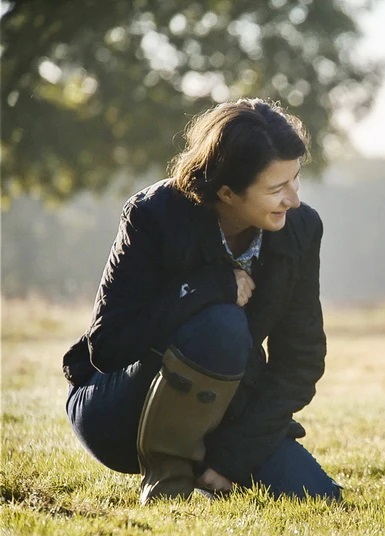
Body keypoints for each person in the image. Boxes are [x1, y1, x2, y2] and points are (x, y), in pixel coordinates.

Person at [61, 98, 342, 504]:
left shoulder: (301, 228)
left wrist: (233, 457)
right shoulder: (153, 214)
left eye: (295, 180)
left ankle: (206, 465)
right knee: (221, 324)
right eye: (277, 188)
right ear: (227, 191)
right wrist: (211, 287)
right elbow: (109, 345)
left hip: (227, 409)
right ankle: (168, 477)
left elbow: (301, 357)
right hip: (120, 411)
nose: (293, 199)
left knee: (318, 498)